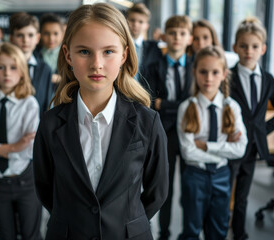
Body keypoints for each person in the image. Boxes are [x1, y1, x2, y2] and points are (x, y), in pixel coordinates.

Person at [33, 3, 169, 239]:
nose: (96, 63)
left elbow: (157, 192)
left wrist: (127, 223)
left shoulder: (148, 122)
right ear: (68, 55)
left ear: (124, 54)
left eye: (108, 51)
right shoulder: (50, 123)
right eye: (84, 51)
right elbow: (45, 189)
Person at [177, 46, 248, 239]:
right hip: (195, 177)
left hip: (221, 176)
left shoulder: (232, 107)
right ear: (194, 73)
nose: (209, 78)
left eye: (215, 72)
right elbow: (188, 152)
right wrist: (224, 149)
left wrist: (207, 145)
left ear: (224, 74)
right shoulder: (187, 108)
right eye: (203, 72)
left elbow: (240, 149)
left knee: (218, 230)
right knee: (191, 230)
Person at [0, 42, 41, 240]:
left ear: (22, 72)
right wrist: (14, 146)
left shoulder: (29, 103)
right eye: (0, 67)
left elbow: (28, 149)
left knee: (31, 234)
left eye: (13, 67)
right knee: (6, 235)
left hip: (25, 180)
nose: (6, 73)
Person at [229, 17, 274, 240]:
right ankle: (218, 230)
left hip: (252, 149)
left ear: (263, 49)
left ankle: (239, 233)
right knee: (222, 193)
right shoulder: (226, 76)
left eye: (254, 46)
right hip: (229, 146)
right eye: (243, 46)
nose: (249, 51)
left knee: (242, 195)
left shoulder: (268, 80)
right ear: (235, 48)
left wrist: (263, 128)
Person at [147, 15, 193, 240]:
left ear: (189, 38)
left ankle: (188, 232)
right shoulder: (155, 66)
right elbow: (150, 101)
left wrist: (165, 104)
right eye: (172, 33)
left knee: (190, 187)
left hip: (190, 133)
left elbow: (190, 103)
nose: (177, 38)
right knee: (165, 188)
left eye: (182, 33)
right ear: (164, 37)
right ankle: (164, 233)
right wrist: (178, 105)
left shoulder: (196, 67)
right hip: (164, 133)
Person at [9, 12, 53, 113]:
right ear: (11, 38)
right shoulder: (5, 67)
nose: (25, 40)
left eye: (30, 35)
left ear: (37, 38)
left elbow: (46, 105)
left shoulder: (45, 69)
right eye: (20, 35)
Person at [126, 2, 162, 90]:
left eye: (140, 22)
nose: (136, 24)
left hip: (143, 95)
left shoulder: (153, 48)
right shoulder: (118, 45)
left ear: (146, 26)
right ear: (126, 21)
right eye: (132, 20)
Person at [38, 13, 65, 86]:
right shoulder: (35, 54)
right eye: (46, 33)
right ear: (39, 34)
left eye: (55, 34)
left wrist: (60, 79)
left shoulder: (68, 55)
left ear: (62, 35)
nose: (51, 38)